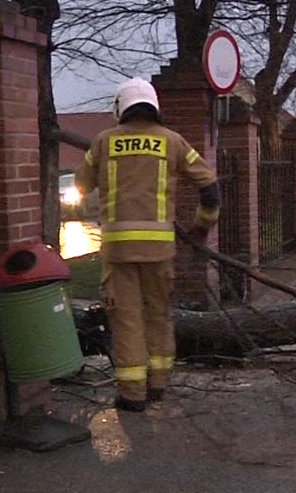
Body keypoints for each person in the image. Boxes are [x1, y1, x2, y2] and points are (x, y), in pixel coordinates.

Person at [75, 77, 220, 412]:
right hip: (159, 250)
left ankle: (132, 394)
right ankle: (158, 384)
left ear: (120, 108)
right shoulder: (172, 141)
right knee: (158, 314)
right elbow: (209, 187)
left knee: (126, 319)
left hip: (119, 250)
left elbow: (81, 185)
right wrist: (200, 228)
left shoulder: (104, 141)